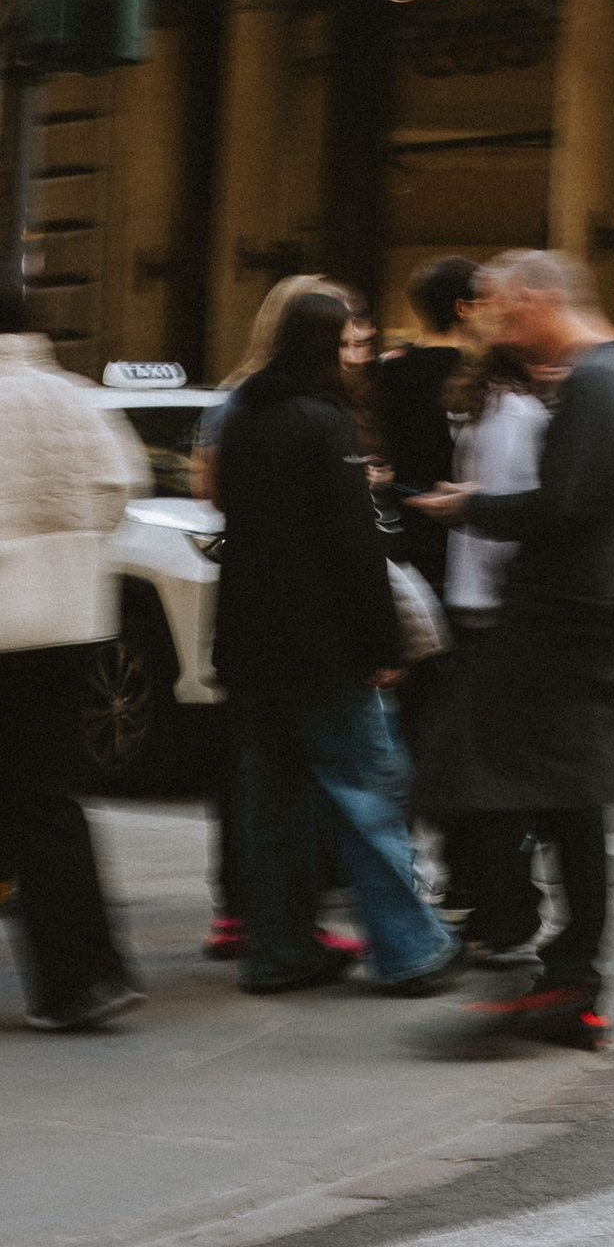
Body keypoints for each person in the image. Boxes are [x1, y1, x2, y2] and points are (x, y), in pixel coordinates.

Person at [408, 249, 614, 1049]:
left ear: (541, 298)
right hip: (580, 625)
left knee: (492, 783)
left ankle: (568, 973)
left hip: (561, 631)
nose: (502, 328)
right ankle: (569, 977)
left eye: (508, 312)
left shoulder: (594, 382)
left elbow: (564, 507)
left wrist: (471, 506)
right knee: (566, 807)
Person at [212, 285, 460, 997]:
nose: (359, 356)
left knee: (274, 807)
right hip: (323, 645)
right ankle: (411, 949)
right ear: (326, 348)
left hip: (253, 645)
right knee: (366, 794)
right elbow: (353, 547)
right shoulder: (324, 422)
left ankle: (279, 953)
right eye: (349, 342)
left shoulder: (246, 414)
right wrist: (384, 644)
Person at [0, 277, 152, 1031]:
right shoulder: (71, 394)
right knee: (48, 798)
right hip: (66, 621)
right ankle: (88, 974)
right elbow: (120, 486)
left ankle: (73, 979)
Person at [424, 321, 550, 966]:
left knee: (479, 770)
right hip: (499, 614)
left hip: (465, 607)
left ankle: (487, 901)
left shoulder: (476, 411)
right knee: (504, 778)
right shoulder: (521, 416)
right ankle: (506, 912)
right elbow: (512, 520)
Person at [374, 257, 481, 594]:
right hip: (463, 529)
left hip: (399, 520)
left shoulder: (386, 370)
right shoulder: (476, 375)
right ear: (462, 307)